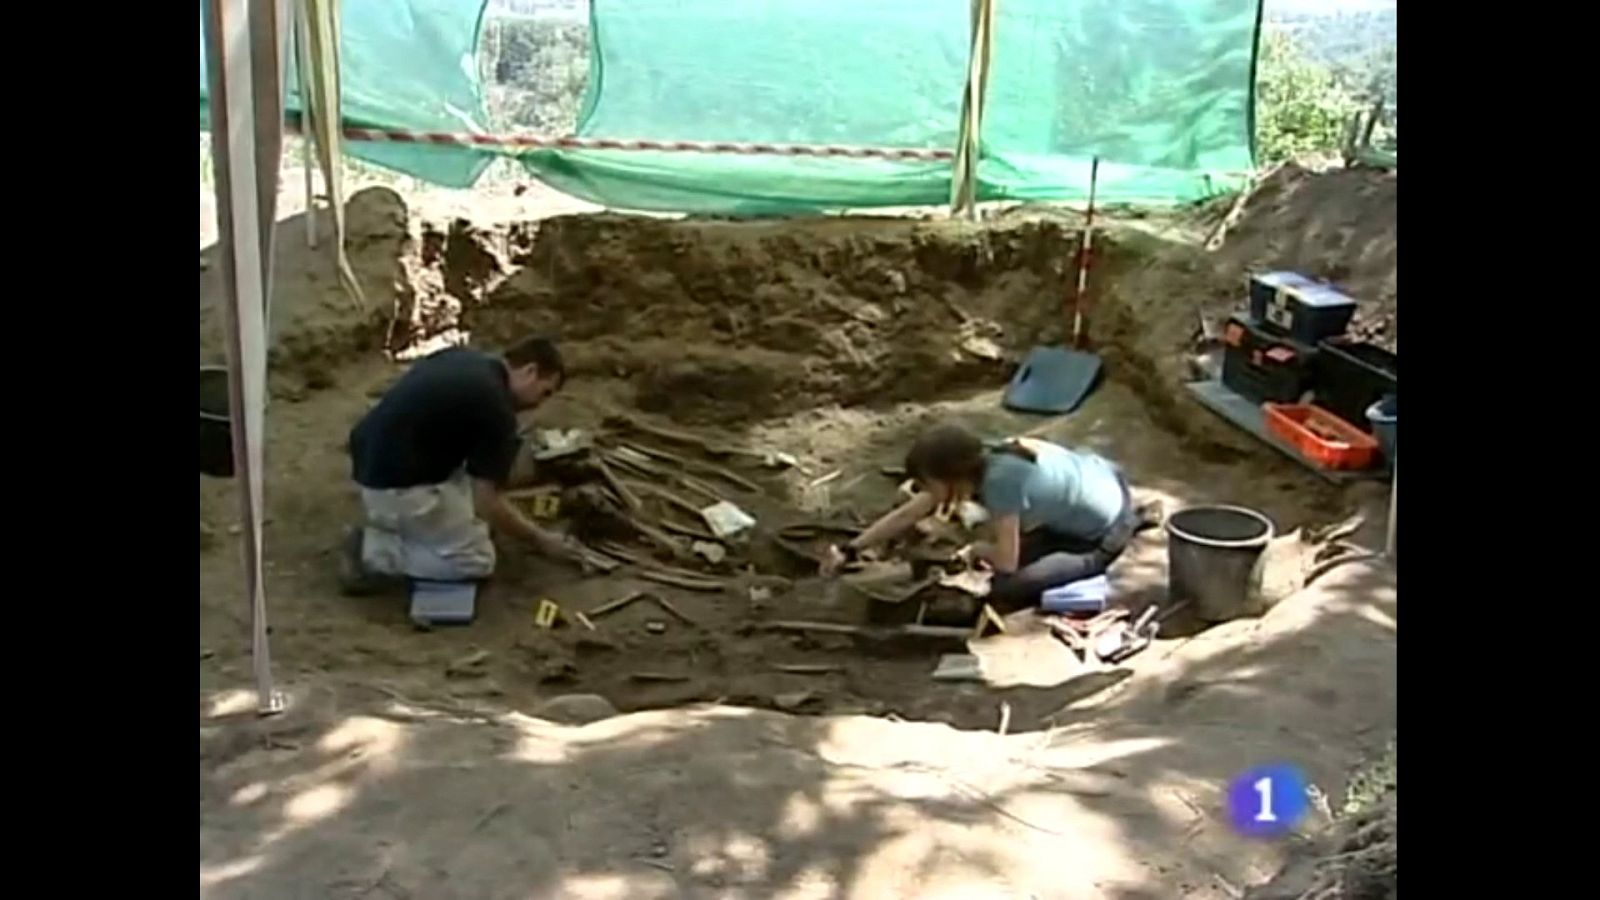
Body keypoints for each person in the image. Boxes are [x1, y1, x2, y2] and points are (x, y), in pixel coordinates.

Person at [821, 423, 1156, 613]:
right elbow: (908, 513)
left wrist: (977, 550)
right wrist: (851, 549)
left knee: (1006, 586)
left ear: (950, 477)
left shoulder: (1000, 486)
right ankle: (1124, 514)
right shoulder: (985, 456)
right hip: (1104, 477)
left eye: (927, 482)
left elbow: (1006, 563)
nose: (923, 490)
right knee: (1005, 540)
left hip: (1099, 535)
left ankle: (1132, 523)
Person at [339, 335, 580, 594]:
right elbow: (487, 501)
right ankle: (373, 553)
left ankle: (404, 527)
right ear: (530, 371)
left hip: (370, 458)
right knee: (476, 561)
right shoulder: (496, 408)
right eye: (544, 392)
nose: (538, 404)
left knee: (473, 513)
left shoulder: (465, 358)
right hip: (393, 487)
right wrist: (542, 540)